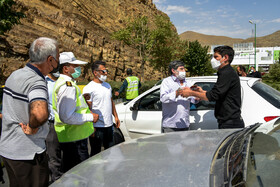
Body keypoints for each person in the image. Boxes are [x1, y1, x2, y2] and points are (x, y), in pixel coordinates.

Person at [0, 37, 59, 187]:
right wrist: (33, 126)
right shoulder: (36, 82)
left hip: (9, 150)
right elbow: (40, 114)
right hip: (28, 153)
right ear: (50, 59)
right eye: (57, 58)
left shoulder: (15, 74)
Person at [52, 52, 98, 172]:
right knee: (80, 174)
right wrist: (90, 117)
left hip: (72, 137)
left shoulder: (66, 84)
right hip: (74, 139)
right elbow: (67, 116)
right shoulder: (67, 86)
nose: (79, 69)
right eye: (75, 66)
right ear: (66, 68)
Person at [181, 46, 244, 129]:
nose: (213, 60)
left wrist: (190, 93)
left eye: (216, 57)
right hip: (227, 122)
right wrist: (201, 92)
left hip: (230, 123)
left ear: (225, 58)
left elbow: (213, 96)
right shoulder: (225, 72)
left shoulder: (227, 73)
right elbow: (217, 93)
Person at [83, 60, 120, 156]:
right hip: (97, 127)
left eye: (106, 70)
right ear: (95, 73)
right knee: (96, 154)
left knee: (110, 151)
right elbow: (88, 109)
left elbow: (111, 101)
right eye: (103, 71)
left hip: (109, 125)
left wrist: (116, 116)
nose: (106, 73)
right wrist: (91, 127)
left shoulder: (107, 86)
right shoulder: (89, 88)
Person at [160, 60, 198, 133]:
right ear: (173, 70)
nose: (184, 71)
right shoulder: (167, 82)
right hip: (171, 124)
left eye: (184, 69)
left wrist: (197, 97)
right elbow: (163, 98)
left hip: (184, 123)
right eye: (181, 69)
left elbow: (193, 100)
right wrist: (176, 93)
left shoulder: (188, 83)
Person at [45, 72, 63, 183]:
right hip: (51, 123)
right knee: (53, 156)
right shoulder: (43, 81)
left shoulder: (63, 81)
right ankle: (56, 181)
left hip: (66, 123)